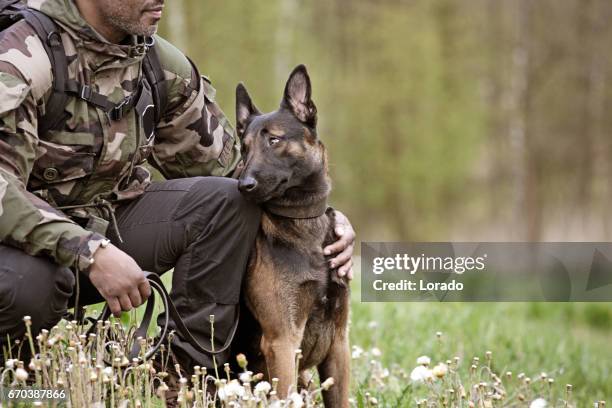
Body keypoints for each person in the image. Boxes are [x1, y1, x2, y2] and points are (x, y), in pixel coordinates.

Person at [0, 0, 355, 373]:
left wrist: (321, 217)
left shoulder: (158, 65)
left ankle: (188, 377)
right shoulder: (20, 57)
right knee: (28, 285)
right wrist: (91, 252)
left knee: (227, 202)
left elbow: (241, 174)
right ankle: (22, 382)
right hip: (23, 250)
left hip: (108, 225)